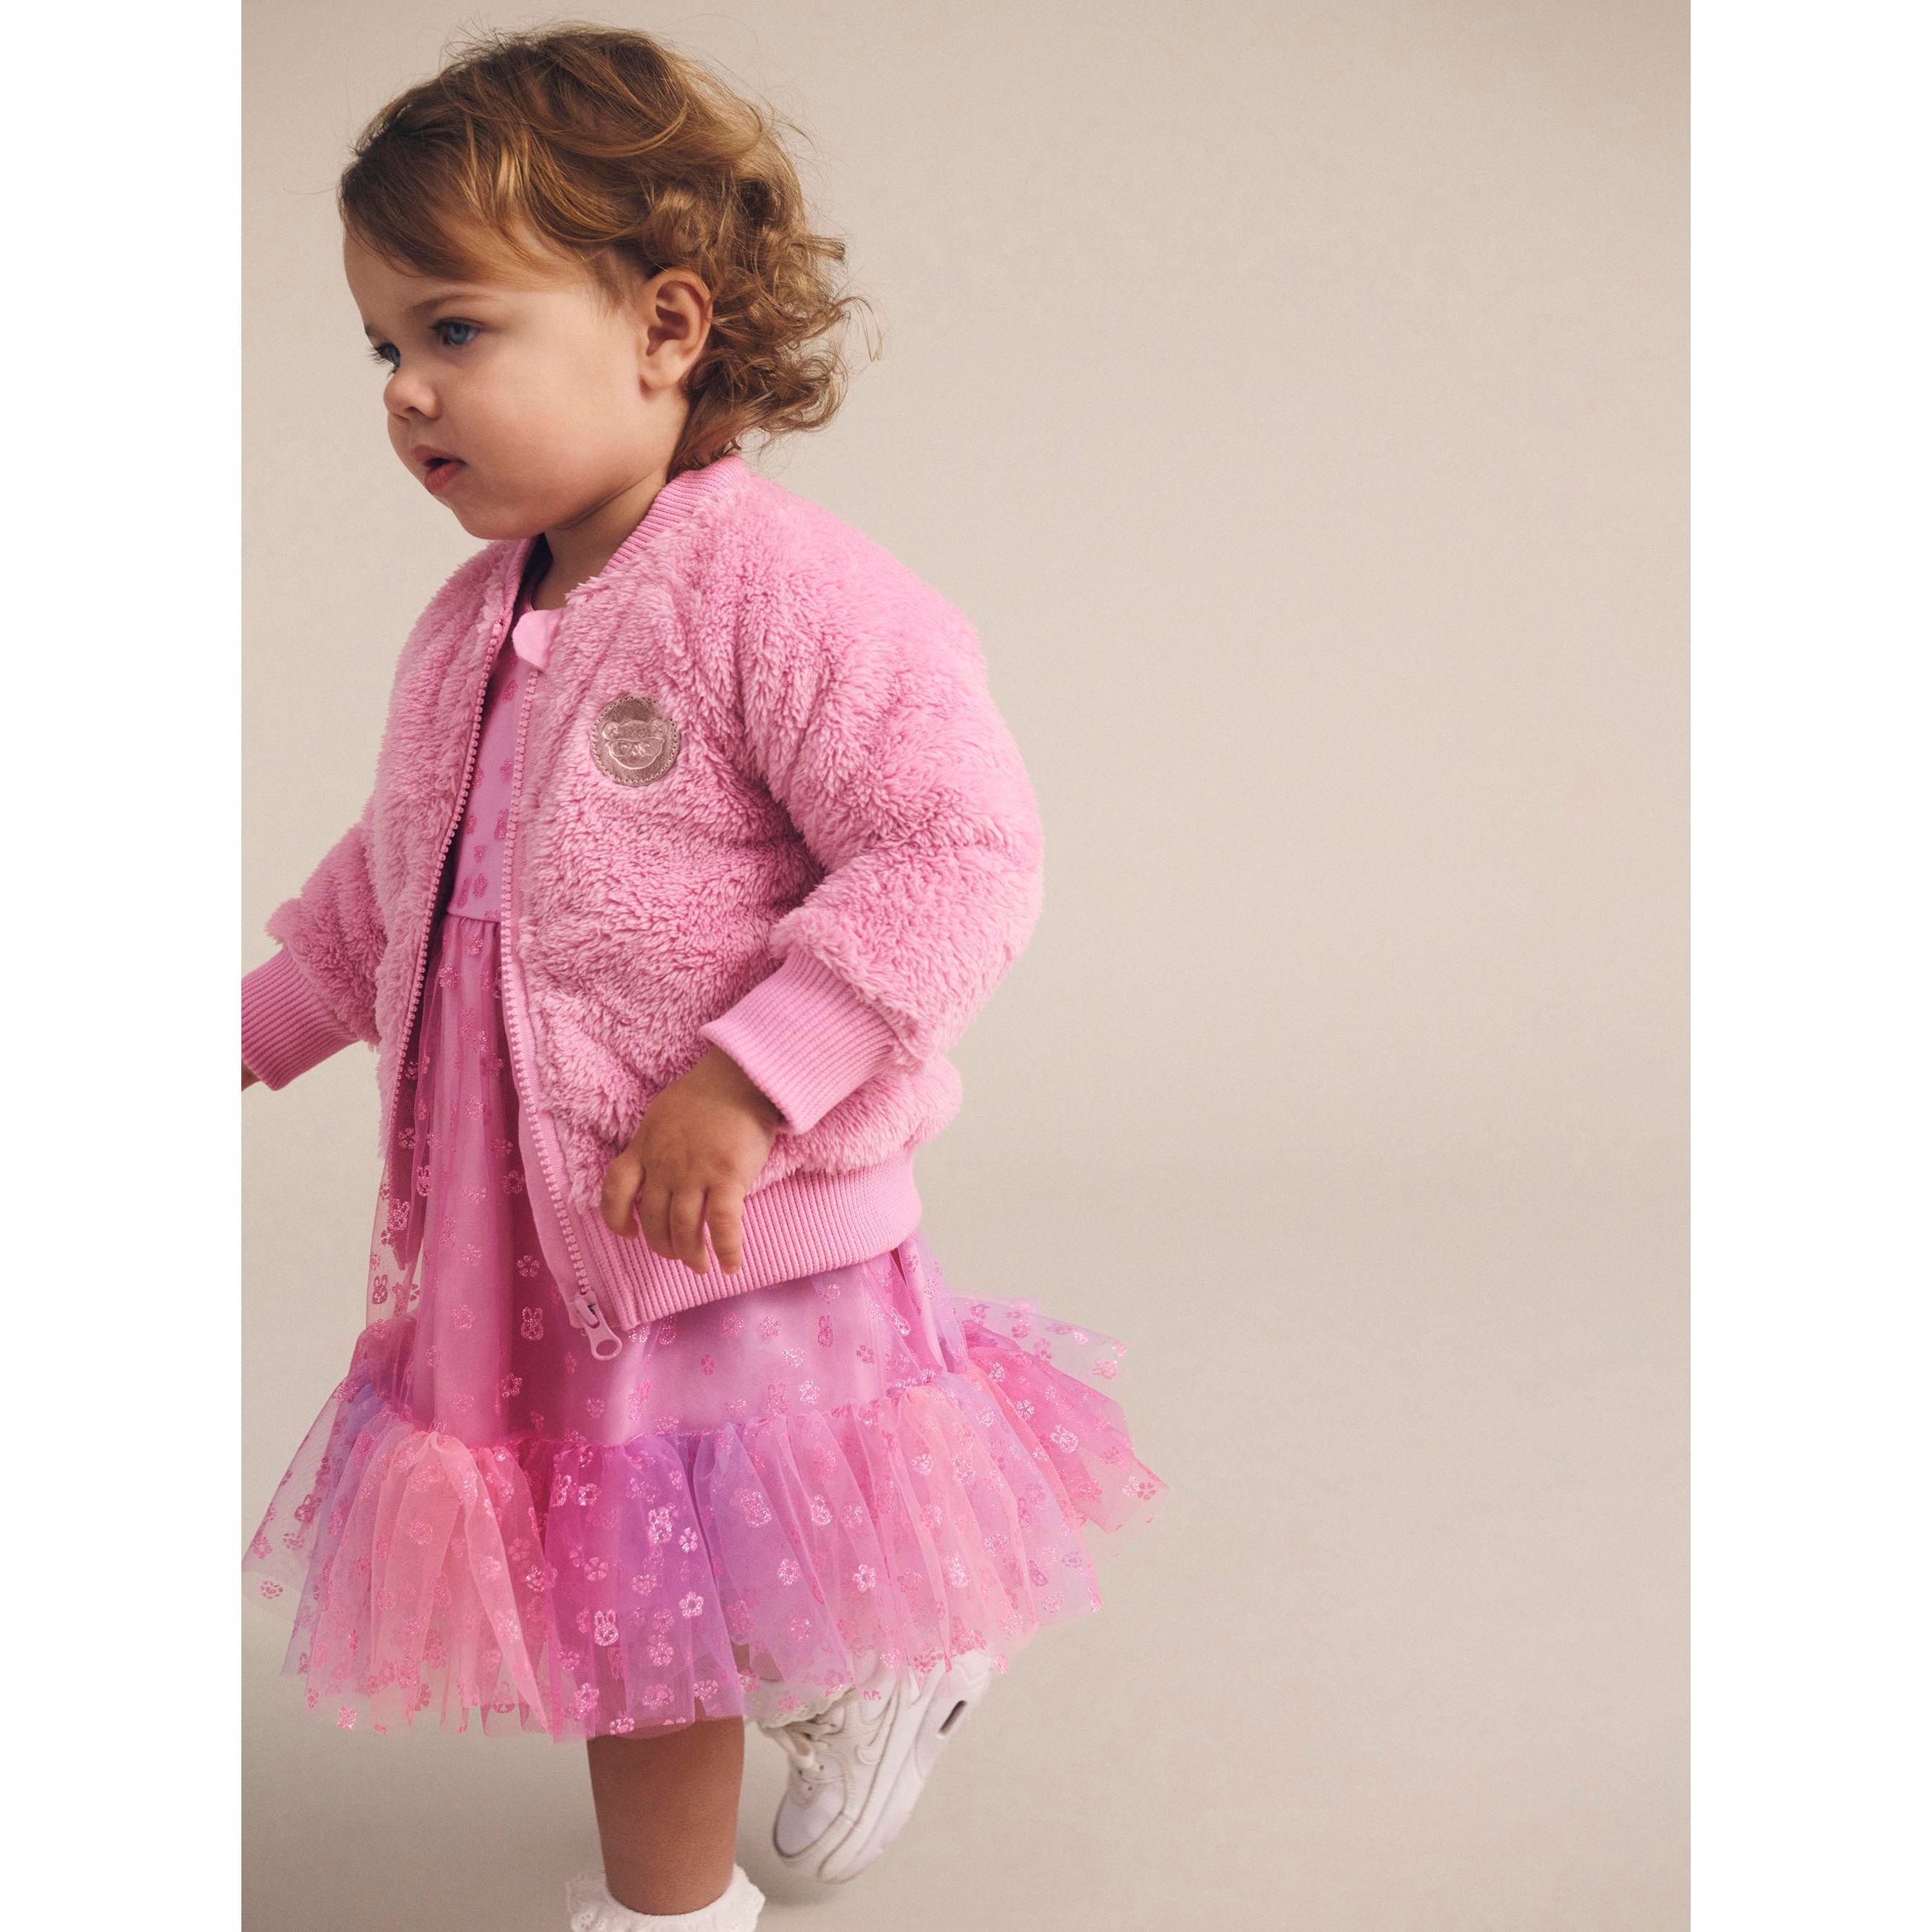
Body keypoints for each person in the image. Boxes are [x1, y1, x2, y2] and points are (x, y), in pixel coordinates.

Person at [241, 24, 1166, 1932]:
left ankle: (672, 1910)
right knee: (658, 1577)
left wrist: (747, 1080)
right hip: (538, 1232)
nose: (406, 390)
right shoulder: (470, 623)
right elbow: (400, 880)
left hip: (715, 1230)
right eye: (381, 346)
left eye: (456, 329)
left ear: (664, 326)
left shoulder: (781, 594)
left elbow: (955, 849)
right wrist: (250, 1025)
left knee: (646, 1598)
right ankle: (862, 1669)